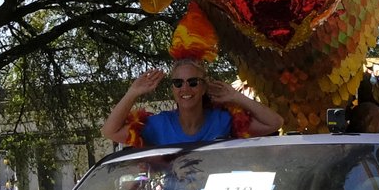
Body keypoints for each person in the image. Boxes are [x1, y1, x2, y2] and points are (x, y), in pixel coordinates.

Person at [100, 57, 281, 148]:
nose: (185, 89)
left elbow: (275, 123)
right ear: (173, 89)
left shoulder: (223, 120)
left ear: (203, 88)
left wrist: (236, 97)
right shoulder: (160, 124)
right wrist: (132, 93)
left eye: (193, 82)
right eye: (178, 83)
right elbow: (109, 131)